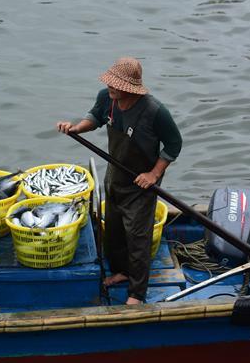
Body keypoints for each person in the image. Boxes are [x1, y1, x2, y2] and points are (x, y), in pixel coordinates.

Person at [57, 57, 182, 305]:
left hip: (140, 183)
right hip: (115, 176)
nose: (110, 87)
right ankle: (121, 272)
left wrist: (154, 174)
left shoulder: (155, 112)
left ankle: (137, 293)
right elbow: (94, 117)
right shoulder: (107, 98)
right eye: (110, 82)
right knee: (113, 230)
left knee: (137, 238)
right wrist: (76, 128)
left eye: (116, 84)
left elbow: (174, 144)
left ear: (130, 88)